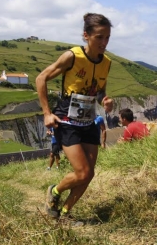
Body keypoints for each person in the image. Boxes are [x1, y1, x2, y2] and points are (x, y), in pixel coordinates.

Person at [35, 13, 114, 220]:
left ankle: (65, 213)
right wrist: (46, 113)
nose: (104, 43)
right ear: (86, 35)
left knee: (89, 174)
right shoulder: (72, 56)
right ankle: (54, 192)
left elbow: (99, 92)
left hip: (89, 121)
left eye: (107, 37)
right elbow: (41, 78)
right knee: (82, 172)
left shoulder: (107, 62)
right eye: (99, 37)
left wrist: (105, 100)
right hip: (67, 120)